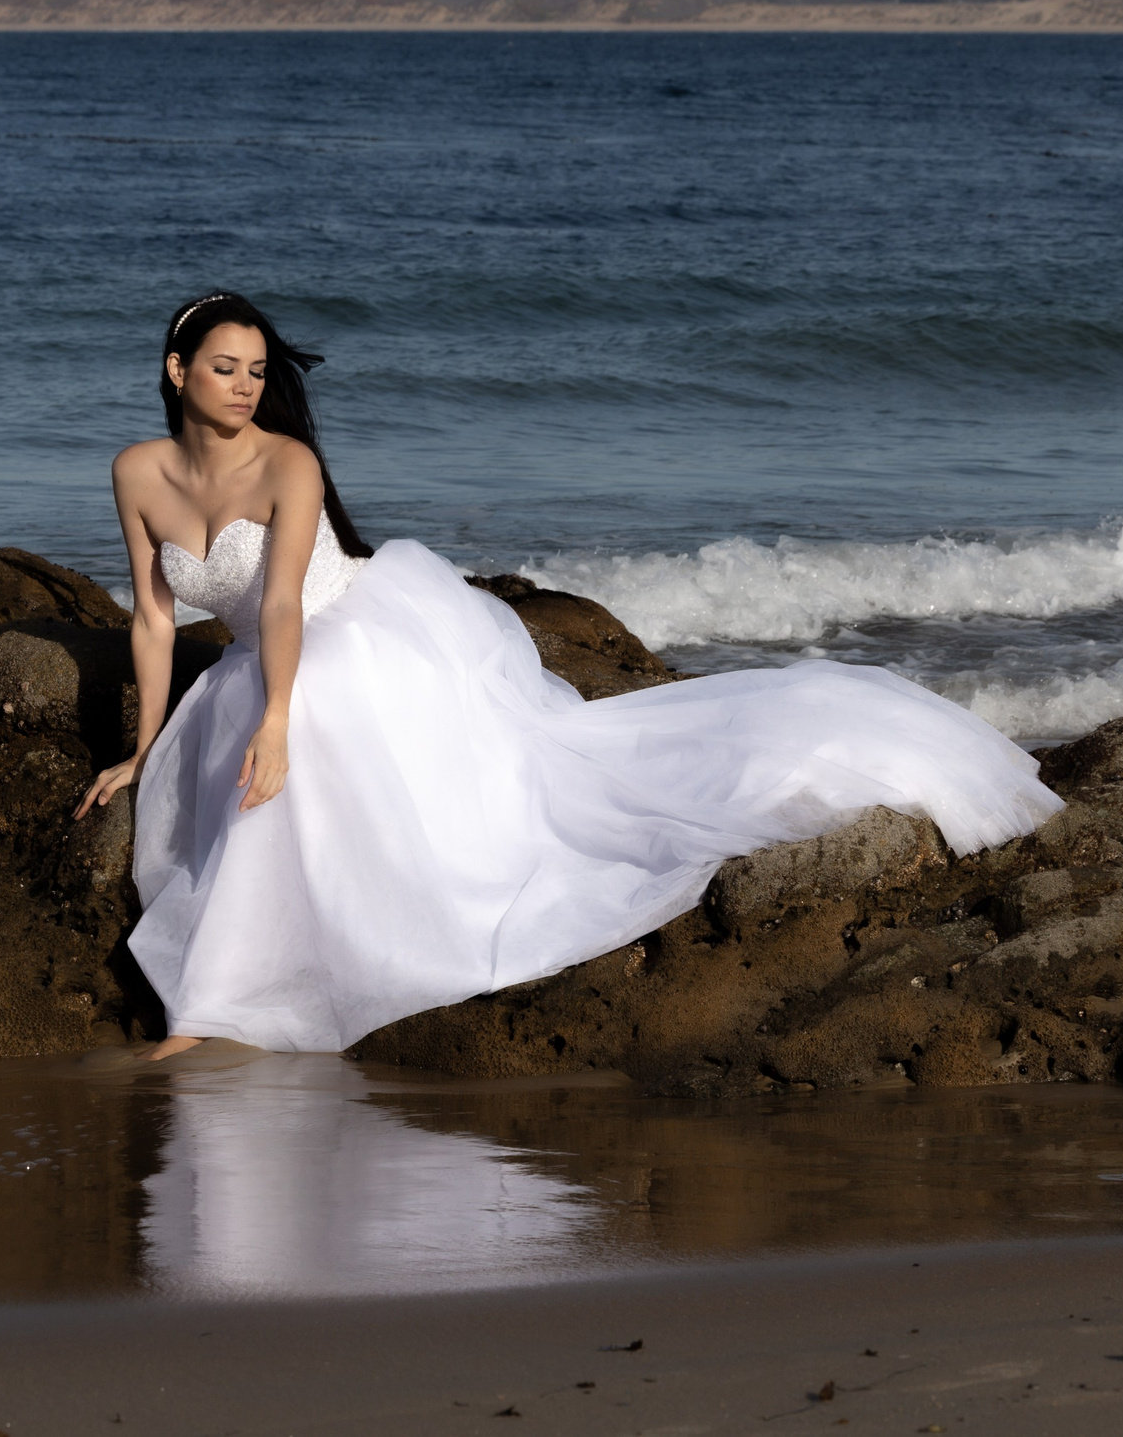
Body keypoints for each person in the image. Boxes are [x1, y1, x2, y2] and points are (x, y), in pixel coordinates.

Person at [75, 291, 1063, 1061]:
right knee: (237, 746)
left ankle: (210, 1009)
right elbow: (158, 615)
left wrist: (279, 719)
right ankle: (231, 988)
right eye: (223, 368)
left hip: (344, 634)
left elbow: (285, 604)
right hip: (256, 655)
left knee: (298, 732)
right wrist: (142, 747)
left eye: (255, 370)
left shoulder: (284, 462)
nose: (245, 386)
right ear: (176, 371)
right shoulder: (136, 471)